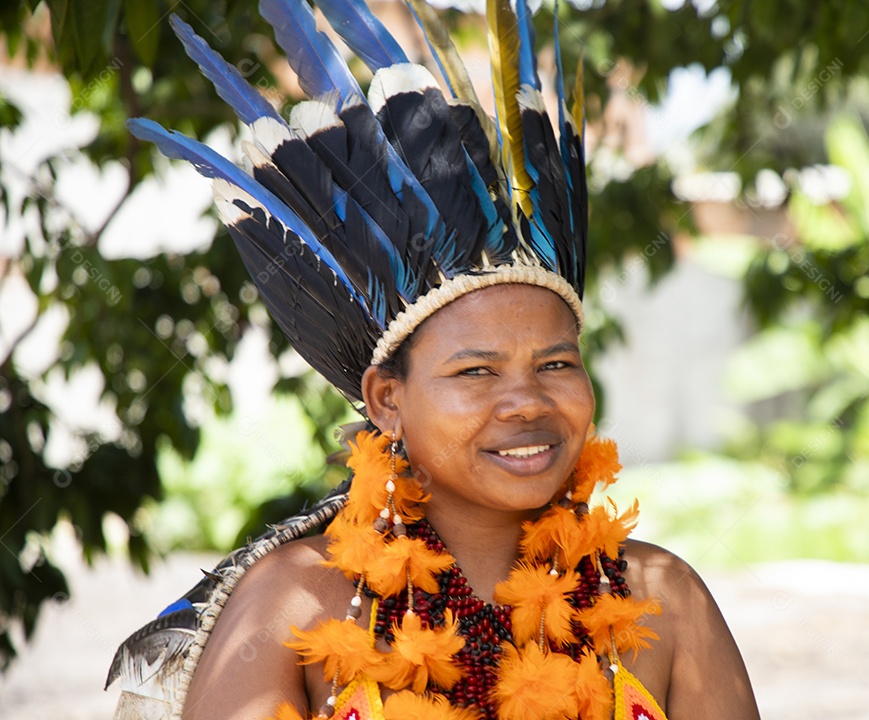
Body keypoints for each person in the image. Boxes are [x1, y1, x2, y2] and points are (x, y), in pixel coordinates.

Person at [107, 0, 760, 719]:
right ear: (387, 399)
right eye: (476, 371)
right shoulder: (291, 605)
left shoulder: (664, 601)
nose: (527, 402)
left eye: (555, 364)